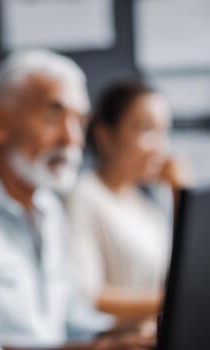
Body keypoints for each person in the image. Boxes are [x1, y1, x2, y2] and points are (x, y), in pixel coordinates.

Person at [0, 50, 129, 349]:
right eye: (54, 115)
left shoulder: (49, 207)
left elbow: (68, 319)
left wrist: (129, 333)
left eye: (80, 121)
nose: (72, 138)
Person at [66, 81, 193, 319]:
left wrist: (182, 198)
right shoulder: (84, 195)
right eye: (146, 130)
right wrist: (177, 300)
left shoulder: (148, 206)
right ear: (105, 136)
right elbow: (88, 294)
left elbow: (183, 271)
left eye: (164, 131)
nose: (160, 146)